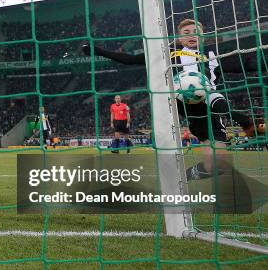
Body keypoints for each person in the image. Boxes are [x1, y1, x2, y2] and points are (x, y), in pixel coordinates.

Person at [83, 18, 265, 180]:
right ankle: (247, 122)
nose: (191, 35)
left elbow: (245, 65)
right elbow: (131, 60)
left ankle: (186, 175)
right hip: (180, 102)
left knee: (217, 166)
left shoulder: (213, 55)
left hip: (208, 110)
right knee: (214, 98)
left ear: (202, 37)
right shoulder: (170, 53)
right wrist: (98, 50)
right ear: (179, 37)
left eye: (196, 32)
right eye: (186, 33)